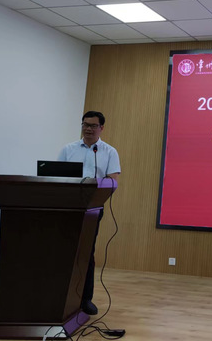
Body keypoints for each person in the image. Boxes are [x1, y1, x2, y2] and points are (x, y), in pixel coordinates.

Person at [58, 110, 120, 316]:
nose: (88, 129)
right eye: (85, 124)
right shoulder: (68, 149)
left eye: (93, 126)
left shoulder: (109, 152)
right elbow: (55, 176)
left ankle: (85, 299)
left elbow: (112, 182)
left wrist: (96, 190)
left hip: (92, 209)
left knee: (86, 253)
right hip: (67, 208)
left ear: (101, 128)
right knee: (64, 251)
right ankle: (61, 296)